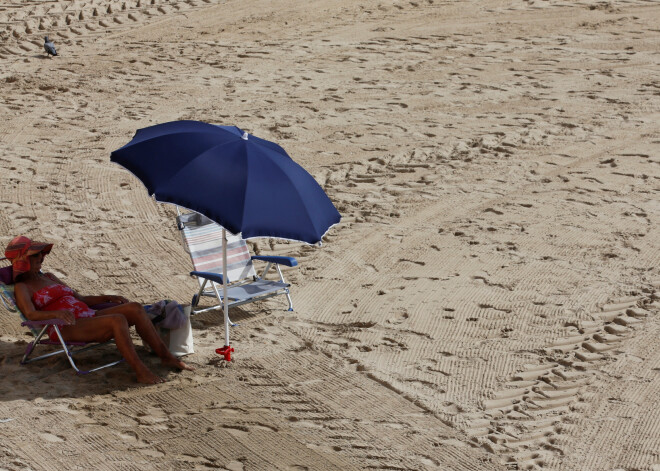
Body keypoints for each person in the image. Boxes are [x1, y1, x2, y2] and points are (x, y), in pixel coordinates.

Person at [5, 235, 194, 384]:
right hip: (66, 326)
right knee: (117, 320)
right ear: (22, 261)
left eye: (41, 254)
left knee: (135, 308)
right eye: (35, 255)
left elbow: (81, 299)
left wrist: (106, 298)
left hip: (88, 316)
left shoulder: (49, 276)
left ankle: (166, 357)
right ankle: (141, 371)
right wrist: (56, 313)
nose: (41, 257)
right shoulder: (23, 287)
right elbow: (30, 315)